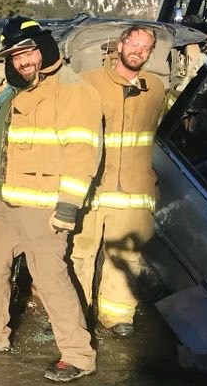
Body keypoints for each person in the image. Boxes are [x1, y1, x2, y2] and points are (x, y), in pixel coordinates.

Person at [0, 17, 101, 383]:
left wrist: (67, 207)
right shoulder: (9, 90)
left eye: (28, 51)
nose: (22, 61)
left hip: (44, 205)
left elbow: (82, 152)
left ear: (44, 48)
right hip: (6, 200)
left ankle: (78, 354)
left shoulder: (72, 90)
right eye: (15, 55)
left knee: (50, 278)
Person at [71, 26, 165, 337]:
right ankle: (75, 316)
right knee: (81, 255)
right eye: (134, 43)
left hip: (134, 192)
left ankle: (118, 316)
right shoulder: (89, 83)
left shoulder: (155, 88)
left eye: (146, 47)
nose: (139, 50)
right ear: (120, 45)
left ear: (150, 53)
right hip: (94, 188)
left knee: (126, 257)